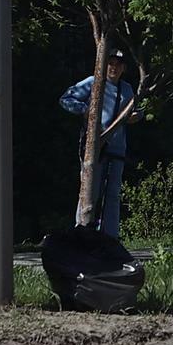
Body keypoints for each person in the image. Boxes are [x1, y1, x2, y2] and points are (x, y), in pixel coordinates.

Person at [59, 51, 136, 239]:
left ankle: (110, 237)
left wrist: (135, 117)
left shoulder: (127, 89)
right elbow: (66, 100)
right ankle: (82, 234)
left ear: (124, 68)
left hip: (117, 148)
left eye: (118, 64)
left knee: (113, 194)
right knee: (89, 192)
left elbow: (136, 111)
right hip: (94, 147)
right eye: (110, 63)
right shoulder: (93, 82)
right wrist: (86, 110)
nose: (114, 67)